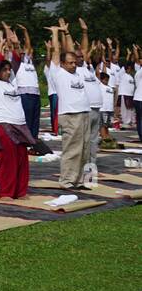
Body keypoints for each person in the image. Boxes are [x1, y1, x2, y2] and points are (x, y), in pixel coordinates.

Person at [0, 25, 33, 199]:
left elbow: (17, 61)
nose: (7, 71)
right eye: (3, 70)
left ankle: (20, 191)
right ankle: (6, 191)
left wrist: (16, 45)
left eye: (8, 69)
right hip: (3, 124)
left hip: (20, 124)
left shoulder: (12, 81)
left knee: (21, 159)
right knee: (7, 160)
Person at [45, 21, 92, 190]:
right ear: (63, 64)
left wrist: (67, 33)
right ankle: (66, 181)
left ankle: (84, 180)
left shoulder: (78, 71)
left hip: (85, 113)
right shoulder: (57, 73)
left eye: (74, 62)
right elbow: (57, 51)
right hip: (70, 115)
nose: (73, 64)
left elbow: (73, 51)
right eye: (70, 63)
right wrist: (56, 33)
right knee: (72, 150)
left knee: (86, 149)